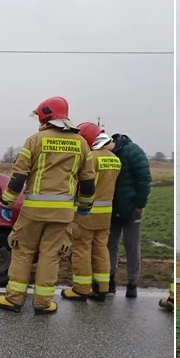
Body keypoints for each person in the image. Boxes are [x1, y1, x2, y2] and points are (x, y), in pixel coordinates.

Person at [0, 96, 95, 315]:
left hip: (33, 211)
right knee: (51, 256)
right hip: (63, 214)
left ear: (45, 116)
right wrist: (85, 206)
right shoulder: (81, 144)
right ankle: (42, 303)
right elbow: (88, 181)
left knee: (23, 252)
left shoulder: (35, 140)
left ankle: (13, 299)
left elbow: (18, 177)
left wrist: (6, 202)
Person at [62, 122, 122, 303]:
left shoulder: (90, 158)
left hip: (86, 212)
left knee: (81, 249)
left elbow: (81, 185)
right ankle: (102, 288)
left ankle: (81, 289)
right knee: (101, 249)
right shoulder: (115, 159)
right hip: (106, 215)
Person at [107, 132, 152, 298]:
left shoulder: (134, 152)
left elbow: (144, 180)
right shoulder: (108, 153)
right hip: (112, 208)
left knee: (131, 246)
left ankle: (132, 283)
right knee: (110, 244)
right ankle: (109, 281)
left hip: (132, 209)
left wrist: (140, 205)